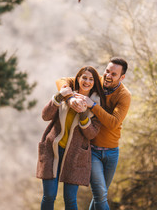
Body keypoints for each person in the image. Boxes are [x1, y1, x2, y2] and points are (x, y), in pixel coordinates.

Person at [56, 57, 131, 210]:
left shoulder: (124, 95)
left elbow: (113, 123)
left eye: (114, 74)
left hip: (112, 152)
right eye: (107, 71)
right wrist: (69, 98)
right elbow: (61, 81)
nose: (108, 76)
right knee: (100, 194)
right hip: (93, 150)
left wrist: (93, 105)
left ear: (122, 77)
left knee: (100, 196)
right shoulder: (95, 81)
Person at [36, 66, 106, 210]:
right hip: (53, 151)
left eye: (91, 79)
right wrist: (59, 96)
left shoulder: (96, 105)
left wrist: (82, 113)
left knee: (70, 199)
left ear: (95, 83)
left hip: (76, 156)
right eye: (84, 77)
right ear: (78, 78)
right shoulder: (66, 94)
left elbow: (91, 134)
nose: (87, 81)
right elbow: (45, 116)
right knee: (49, 195)